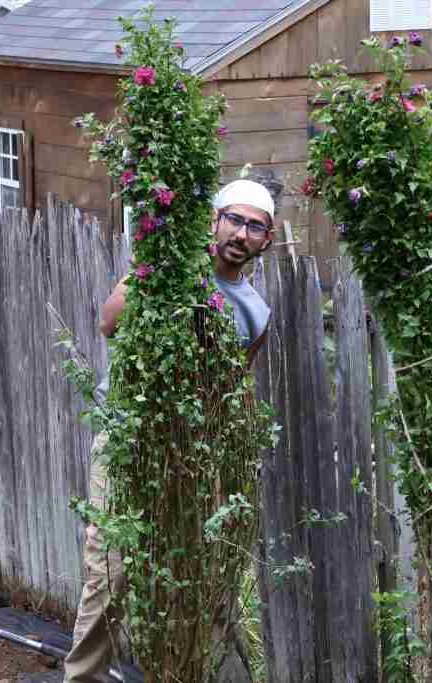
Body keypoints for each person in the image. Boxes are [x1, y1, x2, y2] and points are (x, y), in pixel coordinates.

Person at [63, 179, 276, 683]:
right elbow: (108, 324)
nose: (241, 234)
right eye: (234, 220)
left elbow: (230, 389)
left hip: (192, 459)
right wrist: (150, 278)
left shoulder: (256, 313)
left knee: (187, 580)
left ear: (267, 239)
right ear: (214, 220)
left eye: (255, 226)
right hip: (129, 442)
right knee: (109, 574)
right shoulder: (169, 273)